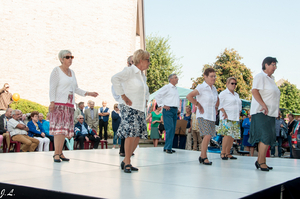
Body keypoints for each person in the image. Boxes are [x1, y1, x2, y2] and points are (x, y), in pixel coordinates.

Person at [49, 50, 98, 162]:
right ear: (61, 59)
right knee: (58, 130)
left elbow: (76, 89)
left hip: (69, 105)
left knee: (64, 130)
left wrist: (88, 93)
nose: (70, 59)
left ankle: (60, 152)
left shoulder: (72, 73)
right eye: (67, 57)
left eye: (71, 57)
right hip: (59, 104)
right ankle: (56, 153)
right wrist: (52, 102)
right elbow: (52, 87)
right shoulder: (57, 71)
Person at [111, 49, 150, 173]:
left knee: (138, 135)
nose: (149, 63)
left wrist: (146, 101)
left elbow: (145, 91)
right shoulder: (129, 71)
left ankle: (125, 160)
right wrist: (123, 96)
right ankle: (127, 161)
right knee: (131, 134)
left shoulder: (142, 75)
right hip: (129, 107)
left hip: (140, 108)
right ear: (140, 60)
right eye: (147, 60)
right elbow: (114, 79)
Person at [249, 57, 280, 171]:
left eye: (275, 65)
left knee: (268, 137)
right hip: (261, 112)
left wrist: (277, 109)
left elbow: (273, 95)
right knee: (265, 136)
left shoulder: (271, 79)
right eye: (273, 65)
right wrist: (263, 104)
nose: (275, 67)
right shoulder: (260, 76)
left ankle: (261, 160)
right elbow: (254, 91)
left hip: (271, 113)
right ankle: (261, 161)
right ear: (266, 65)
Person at [186, 68, 219, 165]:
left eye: (214, 76)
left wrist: (216, 107)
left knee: (208, 136)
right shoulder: (201, 87)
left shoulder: (214, 89)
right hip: (203, 115)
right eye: (211, 76)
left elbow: (217, 99)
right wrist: (198, 104)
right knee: (207, 135)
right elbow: (189, 96)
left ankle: (202, 155)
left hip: (211, 115)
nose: (213, 78)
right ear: (205, 76)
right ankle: (203, 156)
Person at [112, 55, 133, 157]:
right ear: (128, 63)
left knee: (132, 128)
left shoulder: (137, 74)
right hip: (125, 104)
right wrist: (122, 98)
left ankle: (128, 150)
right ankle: (122, 150)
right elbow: (114, 85)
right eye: (133, 62)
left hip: (135, 105)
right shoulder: (125, 73)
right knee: (126, 127)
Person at [155, 74, 180, 154]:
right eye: (175, 77)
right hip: (168, 110)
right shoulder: (167, 87)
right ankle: (167, 148)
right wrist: (162, 105)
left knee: (172, 129)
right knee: (170, 128)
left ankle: (168, 147)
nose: (177, 79)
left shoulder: (175, 89)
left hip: (174, 110)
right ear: (171, 79)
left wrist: (177, 108)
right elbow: (158, 95)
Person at [218, 77, 242, 160]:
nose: (234, 85)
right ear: (227, 84)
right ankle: (223, 152)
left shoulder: (236, 94)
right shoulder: (223, 93)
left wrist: (240, 111)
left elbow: (239, 104)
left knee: (232, 136)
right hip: (227, 117)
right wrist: (223, 111)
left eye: (235, 83)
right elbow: (218, 103)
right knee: (227, 135)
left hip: (235, 117)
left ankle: (228, 152)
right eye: (232, 83)